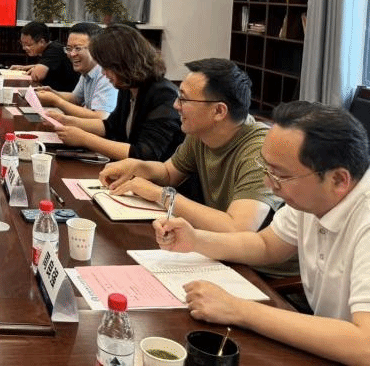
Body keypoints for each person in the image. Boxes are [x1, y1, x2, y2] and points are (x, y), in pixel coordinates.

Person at [154, 101, 370, 366]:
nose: (269, 183)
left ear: (338, 180)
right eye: (266, 168)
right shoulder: (312, 199)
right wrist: (196, 240)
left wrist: (238, 309)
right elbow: (266, 245)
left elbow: (365, 345)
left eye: (280, 175)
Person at [100, 58, 278, 233]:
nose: (175, 105)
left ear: (219, 111)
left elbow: (238, 228)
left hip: (247, 252)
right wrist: (137, 167)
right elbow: (169, 173)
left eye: (183, 99)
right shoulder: (201, 132)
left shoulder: (261, 151)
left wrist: (162, 195)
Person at [46, 24, 183, 162]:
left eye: (107, 67)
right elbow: (111, 126)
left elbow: (145, 153)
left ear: (124, 63)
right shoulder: (128, 87)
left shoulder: (164, 95)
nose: (103, 73)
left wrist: (84, 139)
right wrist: (66, 121)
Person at [35, 22, 117, 119]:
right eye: (69, 49)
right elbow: (76, 98)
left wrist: (56, 101)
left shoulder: (107, 75)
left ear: (97, 49)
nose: (72, 54)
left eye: (78, 48)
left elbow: (101, 117)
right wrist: (52, 93)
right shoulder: (87, 70)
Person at [10, 21, 78, 91]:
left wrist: (35, 69)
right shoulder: (53, 48)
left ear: (42, 42)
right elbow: (50, 65)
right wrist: (24, 67)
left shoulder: (54, 51)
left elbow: (37, 76)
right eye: (22, 44)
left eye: (28, 45)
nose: (24, 48)